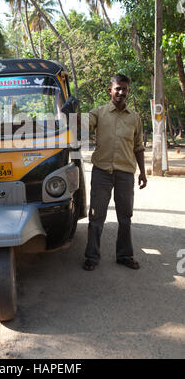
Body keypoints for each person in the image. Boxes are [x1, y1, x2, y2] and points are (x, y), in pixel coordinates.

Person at [83, 74, 147, 271]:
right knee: (96, 217)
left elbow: (138, 147)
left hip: (125, 173)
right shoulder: (99, 113)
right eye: (117, 88)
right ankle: (92, 257)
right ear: (110, 91)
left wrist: (143, 173)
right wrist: (74, 118)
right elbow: (84, 124)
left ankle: (125, 256)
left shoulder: (135, 118)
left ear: (128, 91)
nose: (121, 92)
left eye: (124, 89)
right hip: (102, 172)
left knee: (125, 217)